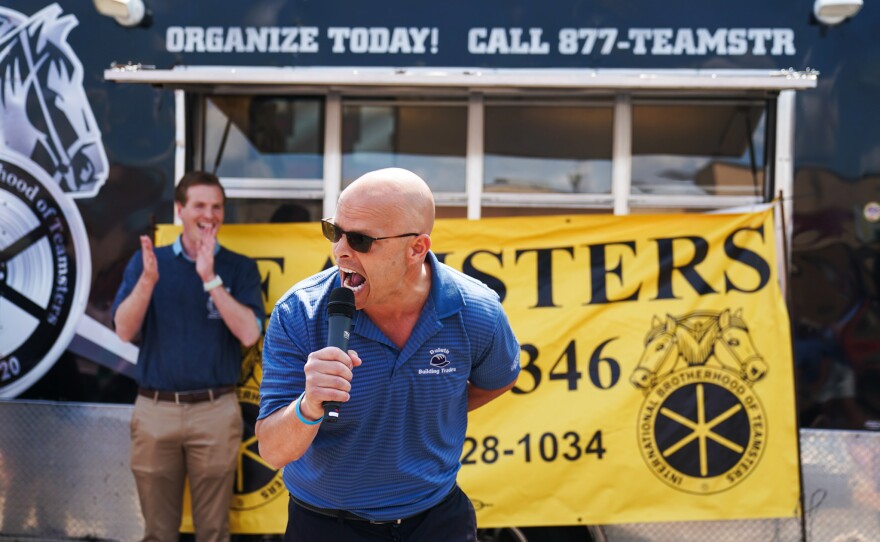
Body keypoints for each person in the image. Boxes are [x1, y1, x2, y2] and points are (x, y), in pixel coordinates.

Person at [255, 167, 521, 542]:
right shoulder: (298, 312)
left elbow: (500, 379)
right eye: (335, 231)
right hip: (326, 525)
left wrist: (430, 410)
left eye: (361, 239)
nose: (341, 250)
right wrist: (309, 404)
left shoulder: (476, 309)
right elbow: (271, 450)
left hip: (436, 520)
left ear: (417, 248)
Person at [112, 171, 264, 542]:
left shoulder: (239, 267)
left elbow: (249, 333)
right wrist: (148, 281)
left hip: (215, 411)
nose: (209, 214)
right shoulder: (149, 263)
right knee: (158, 531)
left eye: (217, 206)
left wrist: (210, 278)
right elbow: (124, 330)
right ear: (180, 209)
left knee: (213, 531)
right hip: (155, 410)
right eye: (199, 205)